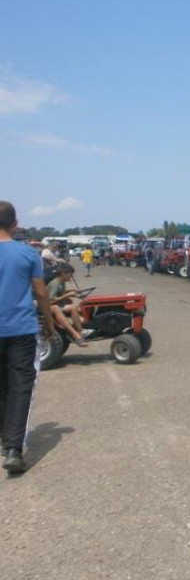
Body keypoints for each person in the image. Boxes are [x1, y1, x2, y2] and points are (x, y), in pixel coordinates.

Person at [0, 201, 56, 473]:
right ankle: (13, 449)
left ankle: (5, 438)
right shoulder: (28, 254)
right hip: (21, 329)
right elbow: (42, 293)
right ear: (14, 223)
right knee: (20, 387)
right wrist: (49, 321)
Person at [47, 263, 89, 347]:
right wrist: (68, 295)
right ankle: (79, 332)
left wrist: (71, 291)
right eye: (70, 274)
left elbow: (60, 293)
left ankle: (81, 327)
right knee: (73, 307)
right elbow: (51, 300)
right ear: (63, 273)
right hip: (48, 306)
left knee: (79, 308)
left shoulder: (61, 282)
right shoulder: (55, 283)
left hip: (57, 304)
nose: (71, 276)